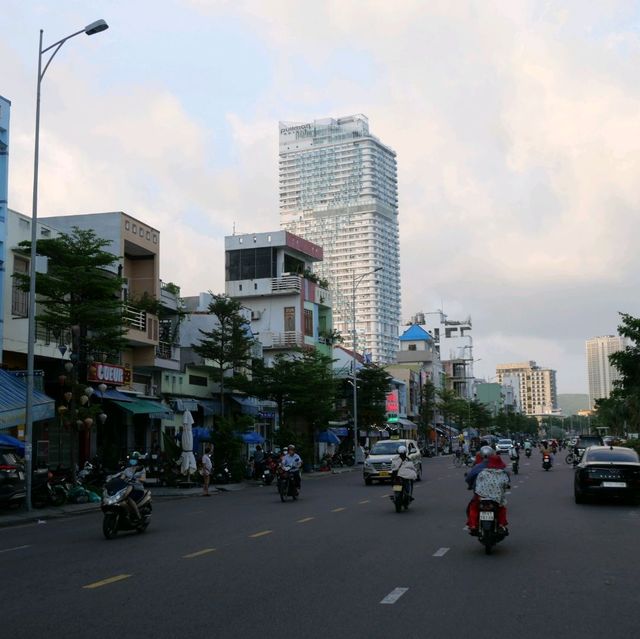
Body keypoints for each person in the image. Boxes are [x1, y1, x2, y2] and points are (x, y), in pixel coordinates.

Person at [467, 453, 510, 535]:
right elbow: (505, 484)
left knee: (473, 508)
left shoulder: (483, 472)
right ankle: (501, 525)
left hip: (481, 497)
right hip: (495, 499)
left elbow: (477, 483)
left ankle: (472, 525)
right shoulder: (502, 474)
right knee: (502, 509)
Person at [122, 451, 146, 522]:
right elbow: (122, 478)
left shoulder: (141, 469)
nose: (132, 461)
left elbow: (143, 479)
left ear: (137, 461)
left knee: (128, 498)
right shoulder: (127, 470)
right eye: (131, 460)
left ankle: (138, 515)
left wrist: (137, 478)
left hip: (137, 489)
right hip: (128, 489)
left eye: (134, 460)